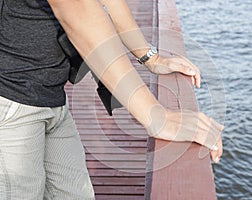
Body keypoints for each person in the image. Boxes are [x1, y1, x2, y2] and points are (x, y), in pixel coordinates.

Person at [0, 0, 223, 199]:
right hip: (10, 101)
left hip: (50, 96)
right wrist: (156, 116)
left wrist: (149, 57)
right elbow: (79, 12)